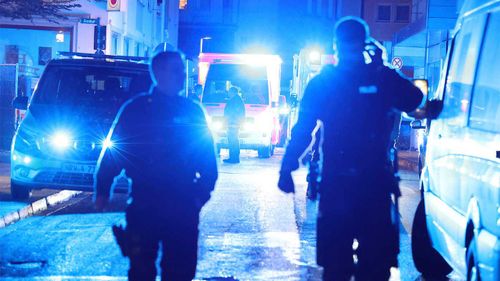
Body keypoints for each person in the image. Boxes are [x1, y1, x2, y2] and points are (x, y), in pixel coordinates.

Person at [278, 17, 423, 281]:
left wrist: (287, 167)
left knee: (335, 268)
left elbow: (303, 129)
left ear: (336, 46)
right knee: (375, 268)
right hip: (374, 184)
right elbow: (415, 98)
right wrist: (381, 65)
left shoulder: (324, 82)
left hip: (337, 184)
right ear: (365, 44)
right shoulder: (382, 78)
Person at [94, 50, 218, 281]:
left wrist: (198, 197)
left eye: (182, 70)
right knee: (141, 271)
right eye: (177, 70)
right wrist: (102, 190)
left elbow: (208, 163)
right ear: (158, 73)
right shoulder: (136, 110)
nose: (183, 75)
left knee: (180, 272)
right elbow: (114, 154)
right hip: (146, 203)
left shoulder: (191, 111)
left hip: (181, 203)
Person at [223, 86, 245, 164]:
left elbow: (233, 112)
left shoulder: (236, 100)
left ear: (233, 92)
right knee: (233, 140)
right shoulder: (236, 99)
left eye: (229, 91)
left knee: (233, 141)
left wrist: (230, 121)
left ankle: (234, 158)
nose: (228, 93)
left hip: (233, 123)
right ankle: (233, 157)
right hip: (232, 123)